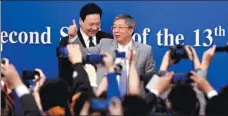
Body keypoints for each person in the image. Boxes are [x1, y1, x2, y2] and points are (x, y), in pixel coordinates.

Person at [80, 14, 156, 95]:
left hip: (133, 101)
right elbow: (82, 53)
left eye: (120, 27)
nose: (116, 30)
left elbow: (151, 80)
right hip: (106, 100)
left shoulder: (145, 50)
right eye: (114, 27)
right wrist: (74, 38)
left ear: (131, 30)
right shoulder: (104, 44)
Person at [58, 3, 113, 87]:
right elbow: (64, 72)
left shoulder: (108, 39)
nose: (94, 28)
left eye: (98, 24)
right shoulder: (66, 41)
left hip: (103, 91)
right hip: (78, 91)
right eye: (91, 24)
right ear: (81, 21)